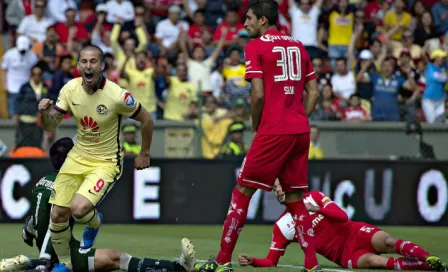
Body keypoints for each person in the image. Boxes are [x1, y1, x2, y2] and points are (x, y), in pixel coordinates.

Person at [194, 0, 320, 271]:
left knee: (242, 191)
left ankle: (223, 260)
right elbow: (315, 93)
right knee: (296, 200)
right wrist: (299, 119)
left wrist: (255, 127)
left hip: (273, 130)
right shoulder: (298, 46)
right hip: (299, 131)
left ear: (263, 20)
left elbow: (258, 94)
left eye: (250, 18)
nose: (245, 23)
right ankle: (312, 265)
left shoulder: (256, 46)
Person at [37, 44, 154, 272]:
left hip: (105, 162)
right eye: (84, 61)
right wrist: (44, 113)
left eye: (93, 62)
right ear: (78, 65)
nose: (88, 66)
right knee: (58, 214)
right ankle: (65, 265)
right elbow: (51, 124)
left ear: (102, 66)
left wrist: (144, 153)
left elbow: (147, 119)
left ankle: (94, 221)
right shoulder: (70, 89)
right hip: (78, 156)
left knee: (79, 210)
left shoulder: (117, 95)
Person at [0, 137, 195, 272]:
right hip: (64, 253)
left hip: (56, 250)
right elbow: (54, 221)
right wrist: (44, 260)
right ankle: (177, 268)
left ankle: (28, 264)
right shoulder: (67, 185)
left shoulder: (41, 182)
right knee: (118, 259)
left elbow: (33, 223)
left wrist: (28, 232)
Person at [238, 180, 448, 271]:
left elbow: (342, 217)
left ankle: (426, 256)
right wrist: (253, 261)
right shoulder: (282, 226)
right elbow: (271, 261)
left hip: (355, 232)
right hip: (344, 254)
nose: (279, 191)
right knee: (379, 262)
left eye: (281, 186)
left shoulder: (315, 197)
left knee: (388, 242)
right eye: (275, 190)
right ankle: (429, 266)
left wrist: (316, 209)